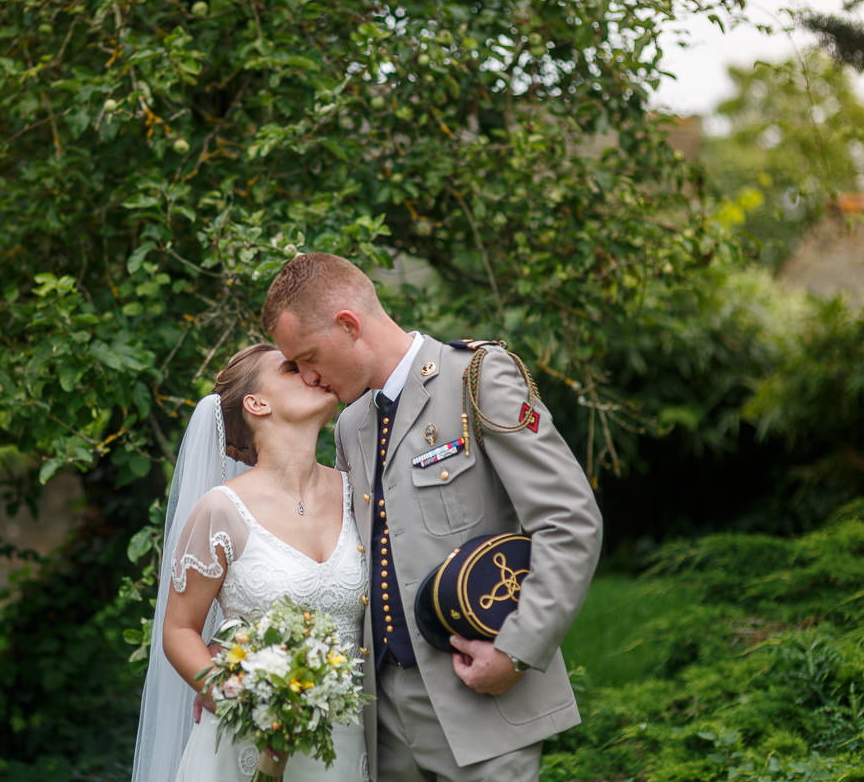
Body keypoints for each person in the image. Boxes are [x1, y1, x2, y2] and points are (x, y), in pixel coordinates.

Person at [262, 253, 603, 782]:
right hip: (384, 716)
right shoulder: (351, 425)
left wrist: (517, 649)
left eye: (307, 356)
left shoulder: (477, 378)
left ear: (349, 325)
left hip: (480, 696)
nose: (307, 377)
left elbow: (570, 520)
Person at [130, 343, 371, 782]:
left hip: (345, 744)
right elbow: (179, 629)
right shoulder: (221, 510)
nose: (313, 374)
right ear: (257, 404)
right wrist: (231, 695)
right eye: (292, 369)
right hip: (245, 746)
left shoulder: (361, 494)